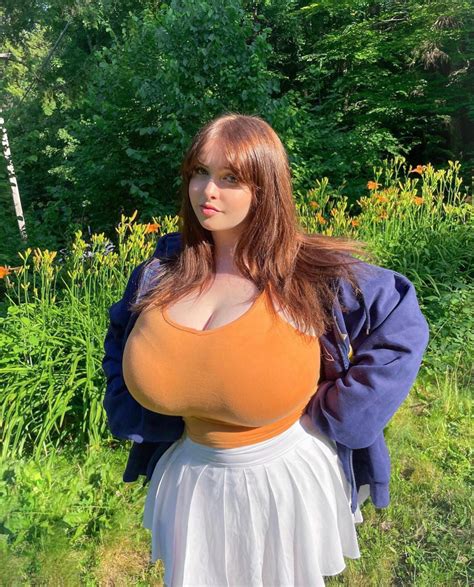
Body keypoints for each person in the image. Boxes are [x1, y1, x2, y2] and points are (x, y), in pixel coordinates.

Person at [102, 113, 430, 587]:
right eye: (199, 172)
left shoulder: (306, 274)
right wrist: (125, 403)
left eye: (230, 178)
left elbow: (400, 323)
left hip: (280, 483)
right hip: (191, 481)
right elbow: (118, 337)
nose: (207, 191)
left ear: (265, 187)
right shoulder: (162, 272)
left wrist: (340, 414)